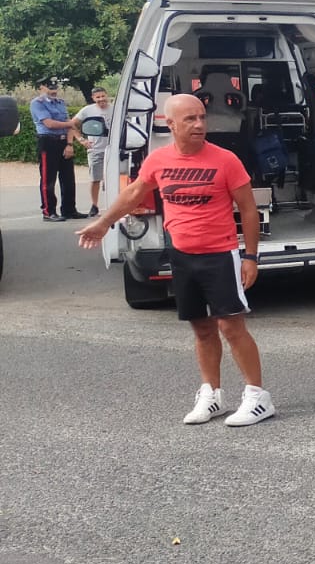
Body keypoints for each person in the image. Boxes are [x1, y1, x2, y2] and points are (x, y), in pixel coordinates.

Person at [76, 93, 276, 427]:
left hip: (220, 254)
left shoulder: (225, 160)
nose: (200, 124)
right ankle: (212, 394)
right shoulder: (158, 160)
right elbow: (134, 194)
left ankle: (258, 397)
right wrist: (103, 222)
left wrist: (250, 256)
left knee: (230, 325)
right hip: (182, 255)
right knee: (201, 327)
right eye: (190, 119)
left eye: (202, 117)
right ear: (170, 124)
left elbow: (248, 208)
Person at [30, 78, 82, 221]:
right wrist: (69, 123)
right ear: (41, 87)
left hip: (63, 141)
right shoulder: (37, 104)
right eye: (49, 88)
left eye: (55, 88)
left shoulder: (60, 103)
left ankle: (69, 210)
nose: (53, 91)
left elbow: (69, 126)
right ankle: (49, 212)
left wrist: (69, 144)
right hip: (48, 142)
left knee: (68, 179)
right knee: (48, 179)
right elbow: (49, 124)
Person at [71, 86, 111, 215]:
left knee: (113, 178)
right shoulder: (87, 110)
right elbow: (72, 125)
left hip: (112, 149)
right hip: (95, 149)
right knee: (95, 179)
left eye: (103, 96)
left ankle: (114, 205)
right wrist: (81, 140)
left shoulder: (115, 108)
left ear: (107, 95)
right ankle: (94, 205)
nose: (101, 99)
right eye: (98, 97)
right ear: (93, 98)